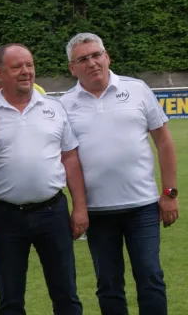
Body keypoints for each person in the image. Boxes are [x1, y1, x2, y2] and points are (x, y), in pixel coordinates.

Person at [60, 32, 179, 315]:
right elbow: (67, 159)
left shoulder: (137, 89)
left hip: (143, 207)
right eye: (83, 59)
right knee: (109, 285)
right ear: (72, 68)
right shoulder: (64, 104)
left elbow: (164, 141)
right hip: (97, 212)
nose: (92, 63)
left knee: (150, 278)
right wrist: (78, 207)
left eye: (96, 55)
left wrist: (170, 193)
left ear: (107, 56)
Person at [0, 43, 87, 315]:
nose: (26, 72)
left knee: (66, 295)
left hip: (53, 212)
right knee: (10, 300)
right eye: (17, 67)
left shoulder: (54, 107)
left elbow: (70, 158)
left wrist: (80, 208)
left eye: (29, 65)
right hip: (5, 216)